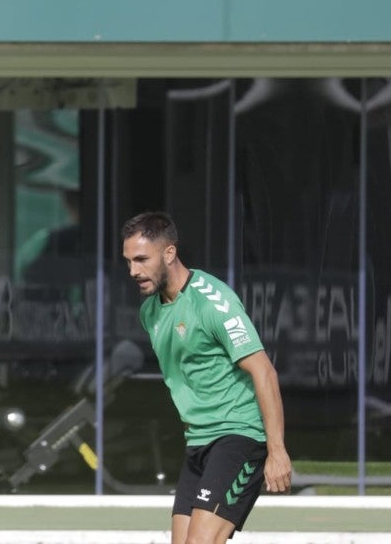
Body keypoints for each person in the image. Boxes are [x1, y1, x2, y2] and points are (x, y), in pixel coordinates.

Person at [121, 211, 291, 544]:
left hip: (239, 436)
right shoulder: (150, 312)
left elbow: (264, 371)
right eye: (128, 262)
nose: (133, 271)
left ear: (169, 253)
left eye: (141, 260)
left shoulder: (214, 302)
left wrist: (277, 451)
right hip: (199, 442)